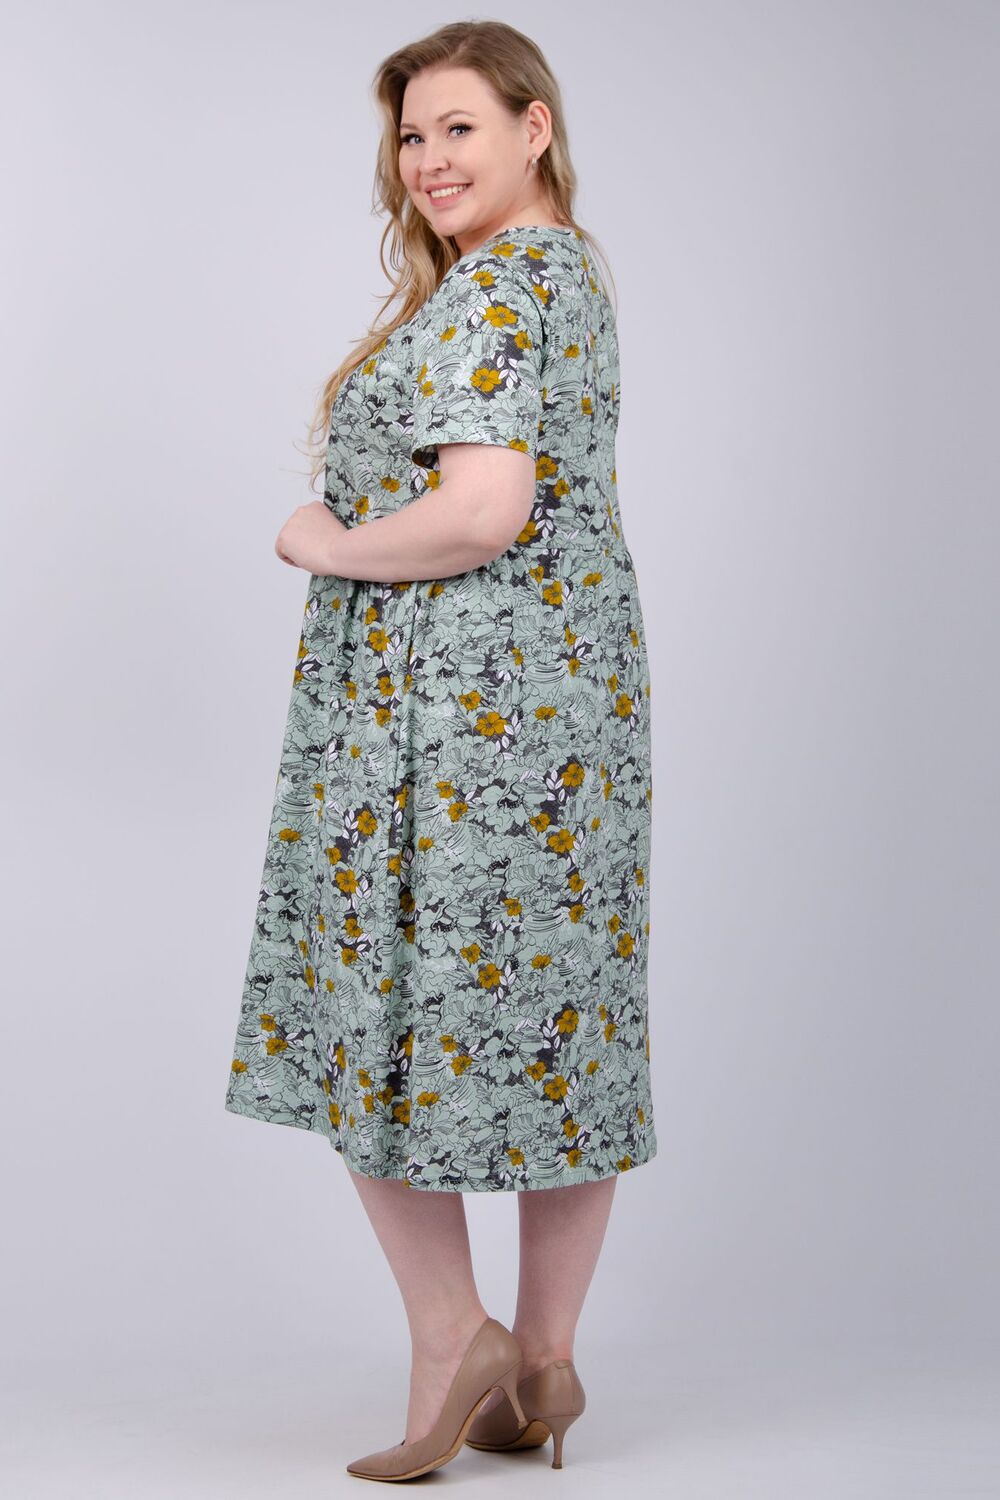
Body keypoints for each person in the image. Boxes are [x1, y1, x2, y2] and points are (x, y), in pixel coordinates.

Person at [224, 19, 657, 1480]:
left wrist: (323, 543)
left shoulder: (494, 293)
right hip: (571, 708)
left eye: (460, 127)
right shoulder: (569, 274)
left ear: (536, 127)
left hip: (450, 720)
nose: (428, 159)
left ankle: (450, 1337)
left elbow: (481, 511)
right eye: (412, 135)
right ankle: (544, 1363)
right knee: (555, 1015)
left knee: (378, 1004)